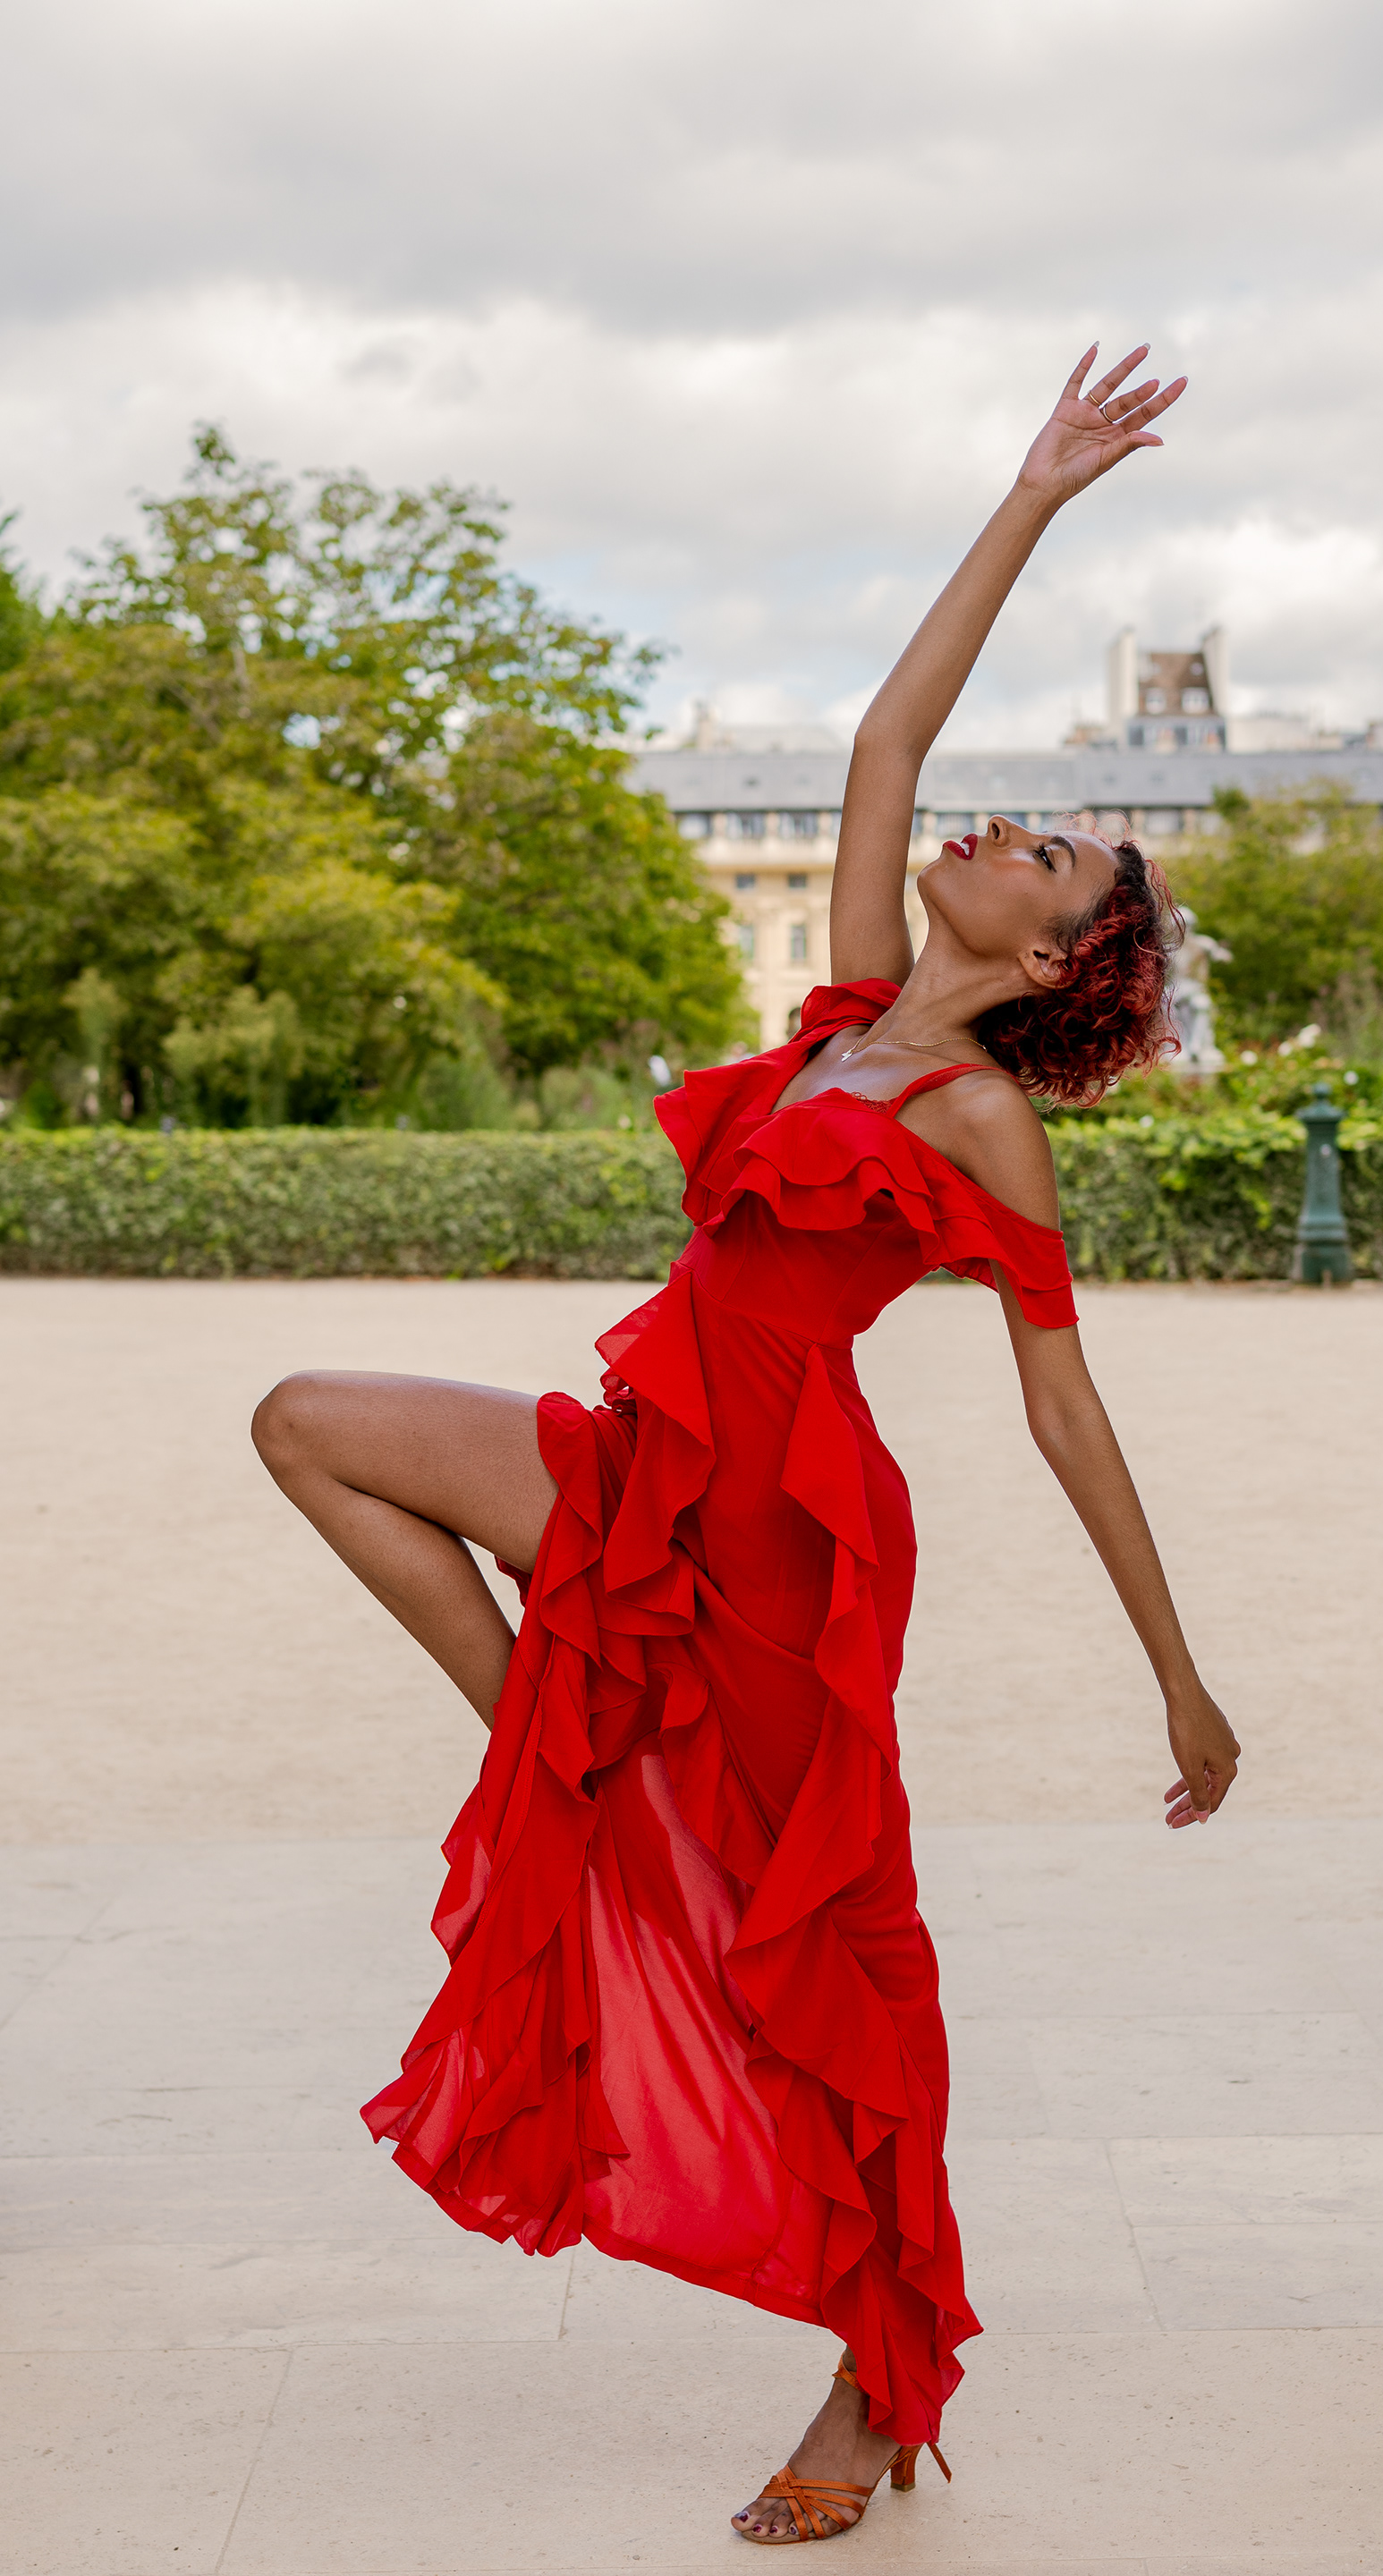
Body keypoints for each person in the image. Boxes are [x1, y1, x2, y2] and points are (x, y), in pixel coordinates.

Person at [251, 341, 1240, 2548]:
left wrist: (1178, 1676)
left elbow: (1064, 1411)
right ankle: (571, 1756)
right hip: (642, 1461)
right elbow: (890, 735)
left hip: (787, 1538)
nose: (992, 828)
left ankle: (876, 2374)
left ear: (1059, 950)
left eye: (1046, 851)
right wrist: (1035, 492)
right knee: (307, 1425)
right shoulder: (852, 1001)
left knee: (824, 1957)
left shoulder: (977, 1119)